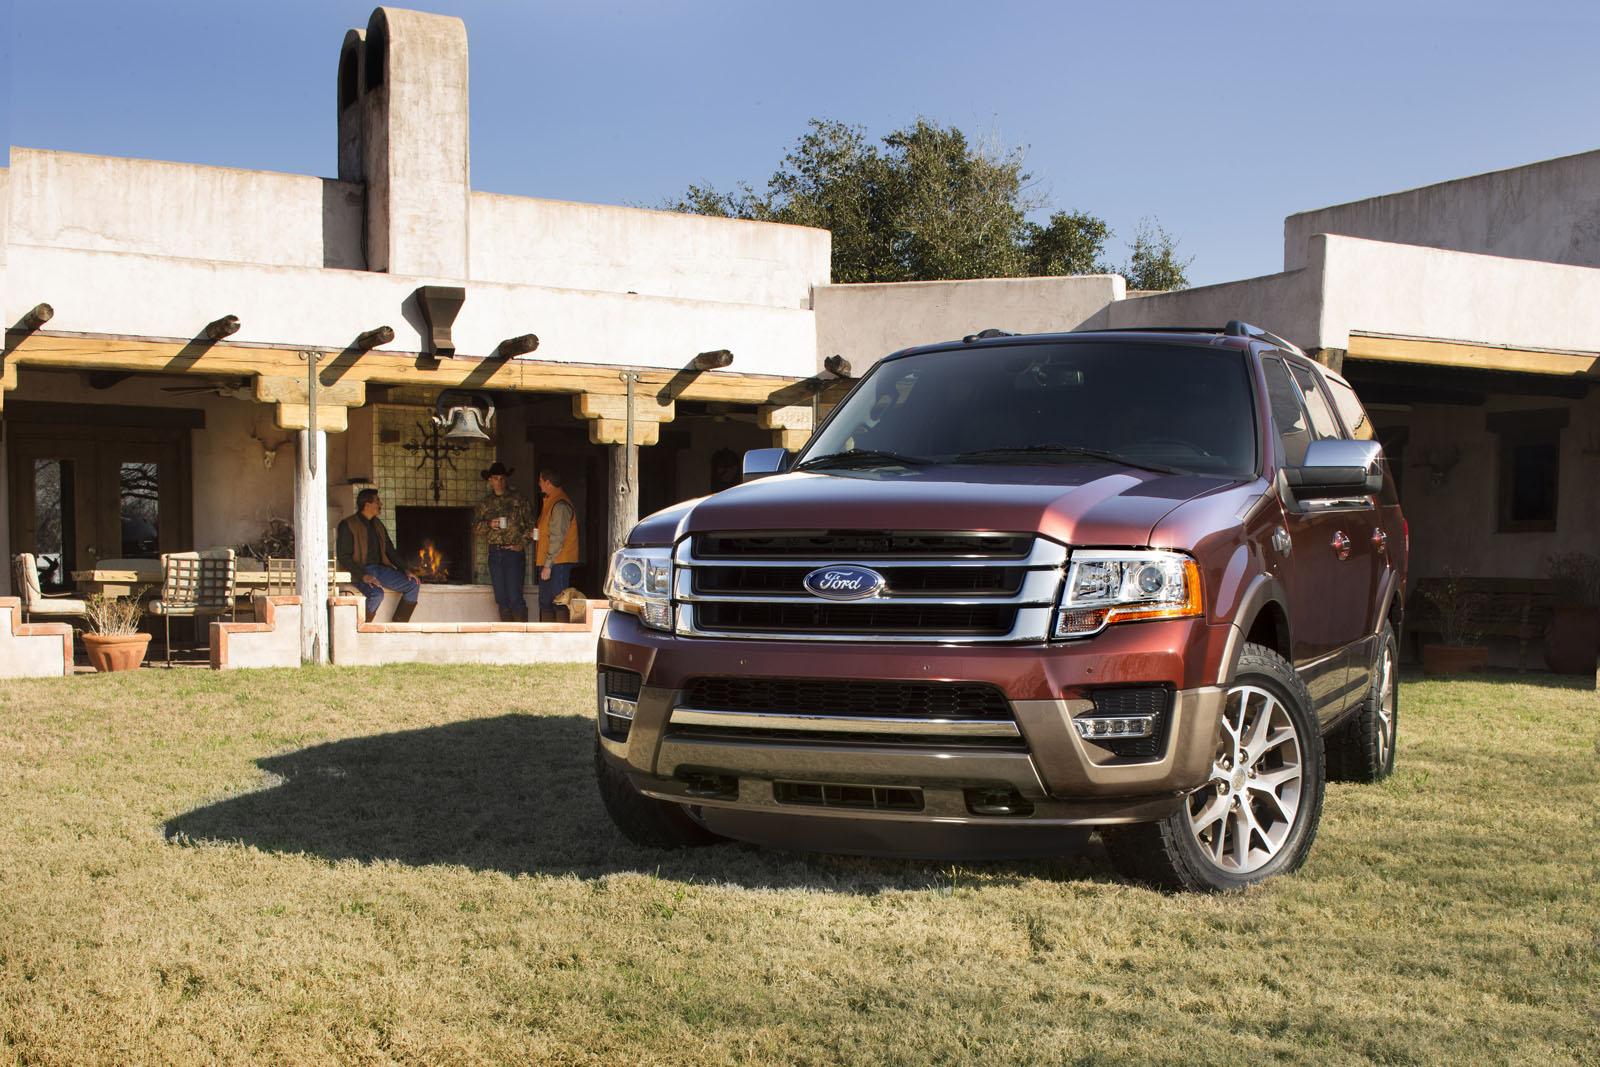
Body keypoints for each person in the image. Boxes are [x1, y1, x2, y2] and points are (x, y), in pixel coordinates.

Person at [335, 487, 419, 623]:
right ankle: (362, 627)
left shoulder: (378, 524)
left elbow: (390, 550)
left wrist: (406, 570)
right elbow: (343, 556)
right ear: (367, 505)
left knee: (413, 584)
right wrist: (363, 575)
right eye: (377, 501)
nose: (380, 504)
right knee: (376, 594)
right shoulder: (348, 525)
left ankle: (399, 625)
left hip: (380, 570)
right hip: (360, 571)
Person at [472, 461, 536, 622]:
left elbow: (533, 528)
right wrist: (489, 524)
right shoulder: (485, 503)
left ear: (506, 479)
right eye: (495, 478)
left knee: (515, 596)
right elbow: (475, 528)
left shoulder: (519, 500)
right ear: (490, 481)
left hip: (514, 554)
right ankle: (507, 633)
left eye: (502, 478)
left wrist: (521, 544)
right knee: (500, 597)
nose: (499, 482)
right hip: (495, 553)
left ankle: (522, 635)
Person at [535, 467, 580, 623]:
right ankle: (547, 639)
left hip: (557, 562)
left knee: (558, 602)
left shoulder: (559, 504)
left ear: (548, 482)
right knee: (546, 602)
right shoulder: (551, 501)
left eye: (540, 481)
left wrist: (548, 565)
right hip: (551, 561)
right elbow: (549, 532)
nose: (539, 484)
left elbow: (557, 537)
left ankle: (560, 639)